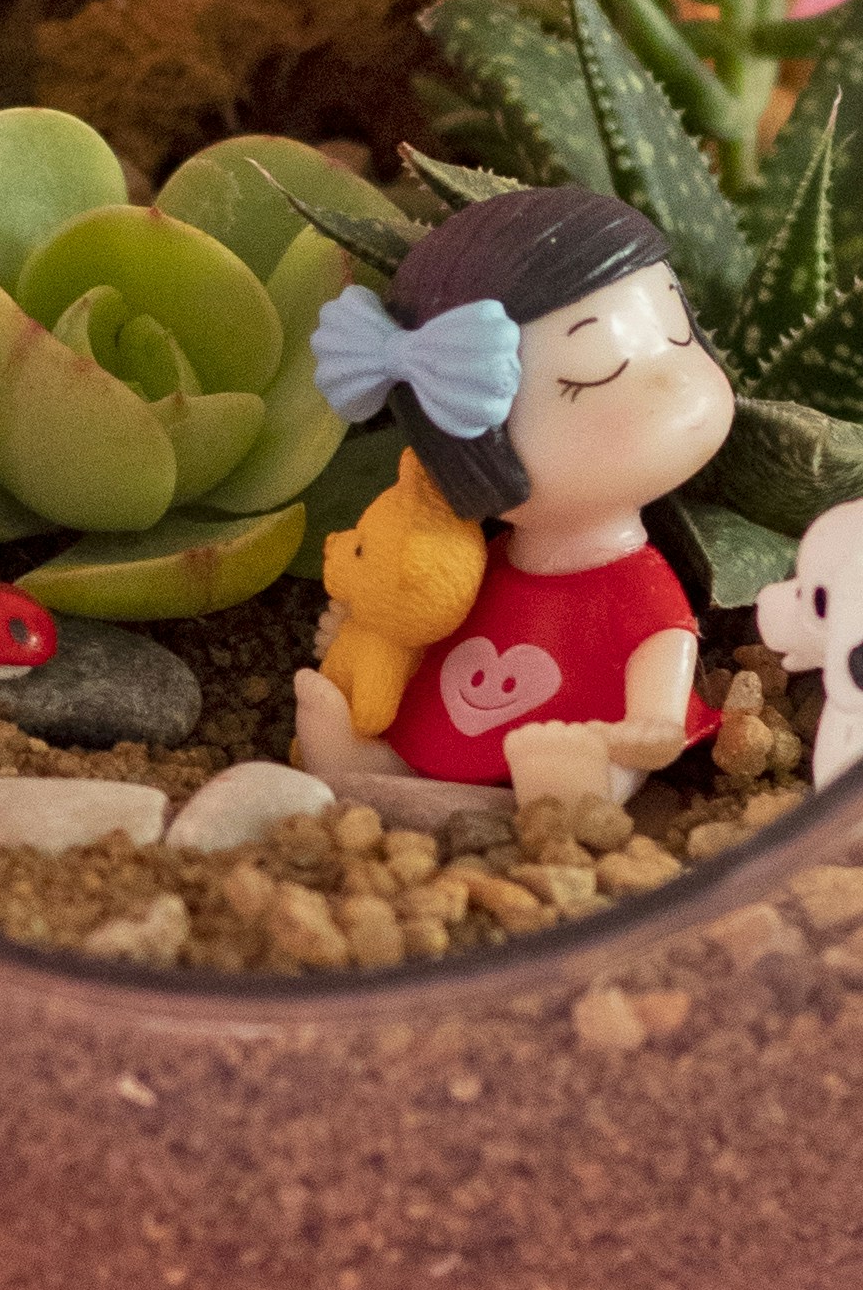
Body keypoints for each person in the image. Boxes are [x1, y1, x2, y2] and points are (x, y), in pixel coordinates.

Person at [293, 185, 735, 829]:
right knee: (388, 727)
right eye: (598, 372)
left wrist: (631, 737)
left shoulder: (641, 589)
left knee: (581, 772)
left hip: (588, 735)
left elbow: (659, 726)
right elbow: (423, 626)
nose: (675, 380)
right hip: (462, 718)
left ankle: (565, 795)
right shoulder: (479, 563)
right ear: (478, 445)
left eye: (678, 332)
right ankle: (384, 772)